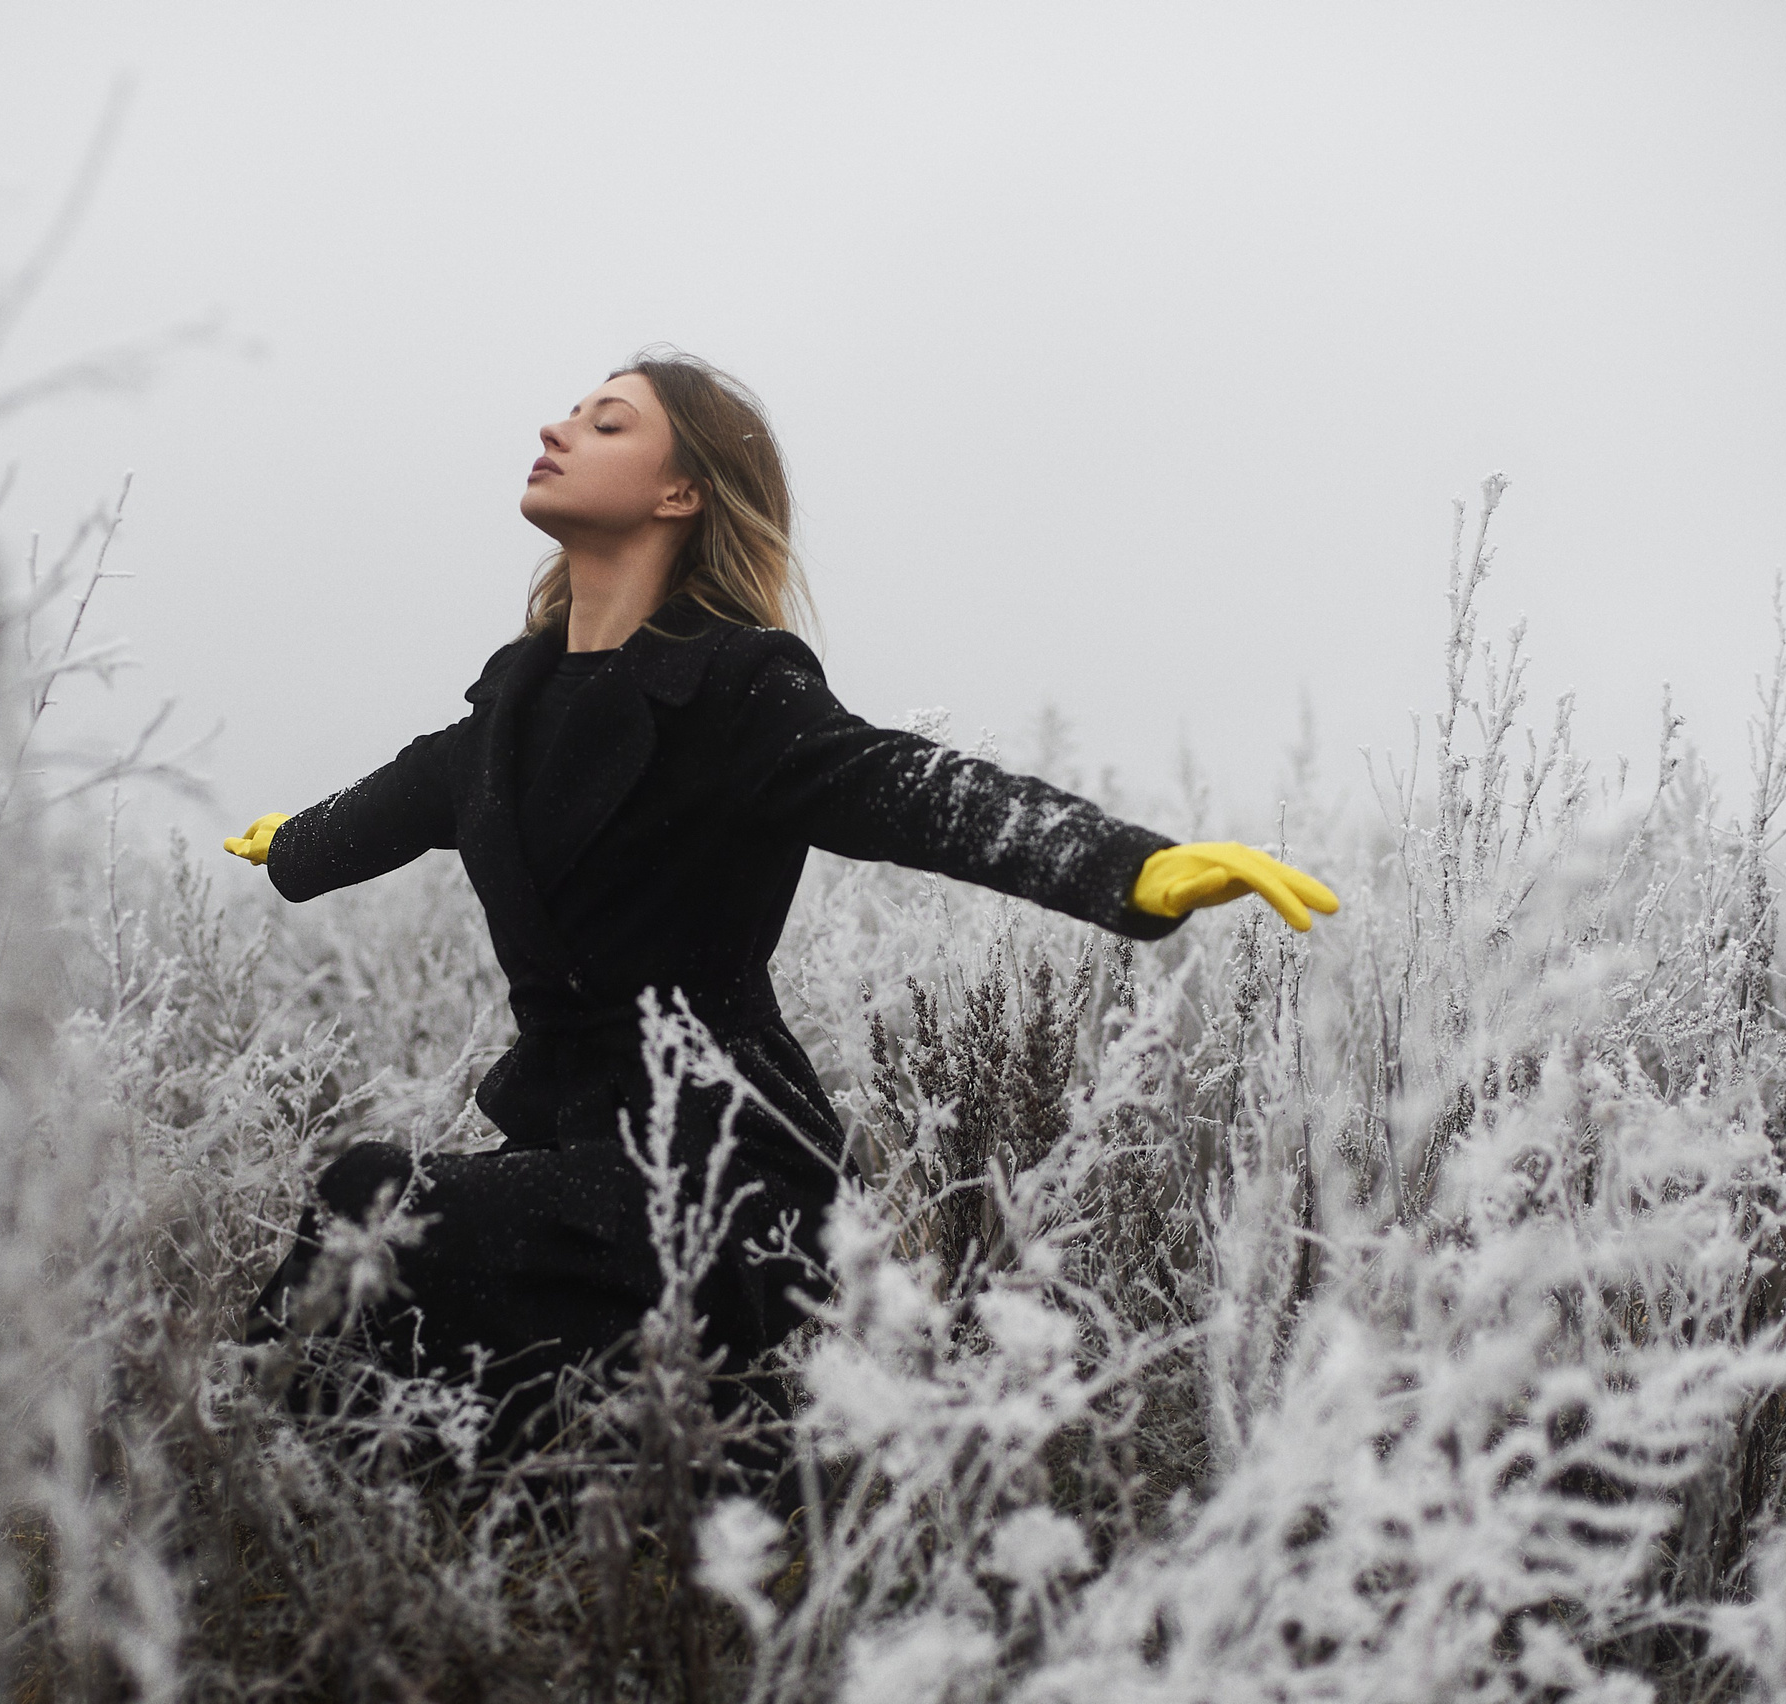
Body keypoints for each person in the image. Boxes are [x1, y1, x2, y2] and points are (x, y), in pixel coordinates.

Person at [227, 350, 1336, 1450]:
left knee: (388, 1210)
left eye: (606, 423)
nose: (559, 430)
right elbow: (380, 808)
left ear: (681, 491)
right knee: (376, 1265)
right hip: (576, 1155)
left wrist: (1122, 864)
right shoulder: (504, 716)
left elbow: (901, 784)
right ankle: (299, 1485)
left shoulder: (736, 689)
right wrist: (296, 847)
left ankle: (330, 1470)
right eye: (570, 413)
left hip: (726, 1176)